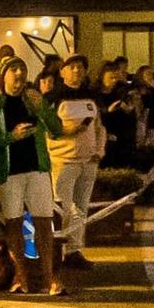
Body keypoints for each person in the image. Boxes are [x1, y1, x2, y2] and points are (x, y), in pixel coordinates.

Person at [0, 57, 64, 296]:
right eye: (13, 69)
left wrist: (44, 109)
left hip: (37, 169)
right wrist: (11, 137)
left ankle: (48, 278)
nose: (19, 73)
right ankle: (22, 277)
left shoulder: (34, 99)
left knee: (43, 223)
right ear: (4, 75)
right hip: (8, 173)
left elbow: (57, 131)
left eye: (23, 69)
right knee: (13, 223)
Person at [45, 54, 105, 270]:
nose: (77, 71)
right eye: (71, 67)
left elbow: (100, 128)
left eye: (80, 67)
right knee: (64, 208)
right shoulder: (53, 98)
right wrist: (65, 131)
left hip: (88, 162)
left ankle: (75, 250)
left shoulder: (91, 97)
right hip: (63, 162)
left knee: (82, 206)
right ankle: (58, 252)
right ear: (62, 72)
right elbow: (45, 129)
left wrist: (99, 151)